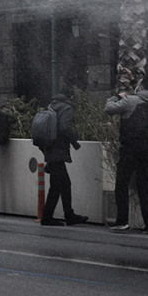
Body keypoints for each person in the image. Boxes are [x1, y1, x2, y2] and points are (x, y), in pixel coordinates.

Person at [105, 75, 148, 234]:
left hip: (130, 148)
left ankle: (122, 221)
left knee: (122, 183)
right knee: (145, 185)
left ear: (141, 88)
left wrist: (116, 97)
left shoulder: (130, 101)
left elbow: (108, 109)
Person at [39, 91, 88, 226]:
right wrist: (75, 142)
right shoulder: (66, 108)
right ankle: (53, 217)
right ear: (69, 97)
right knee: (61, 185)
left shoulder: (51, 107)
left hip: (50, 150)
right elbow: (64, 127)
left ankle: (62, 215)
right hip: (58, 150)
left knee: (59, 185)